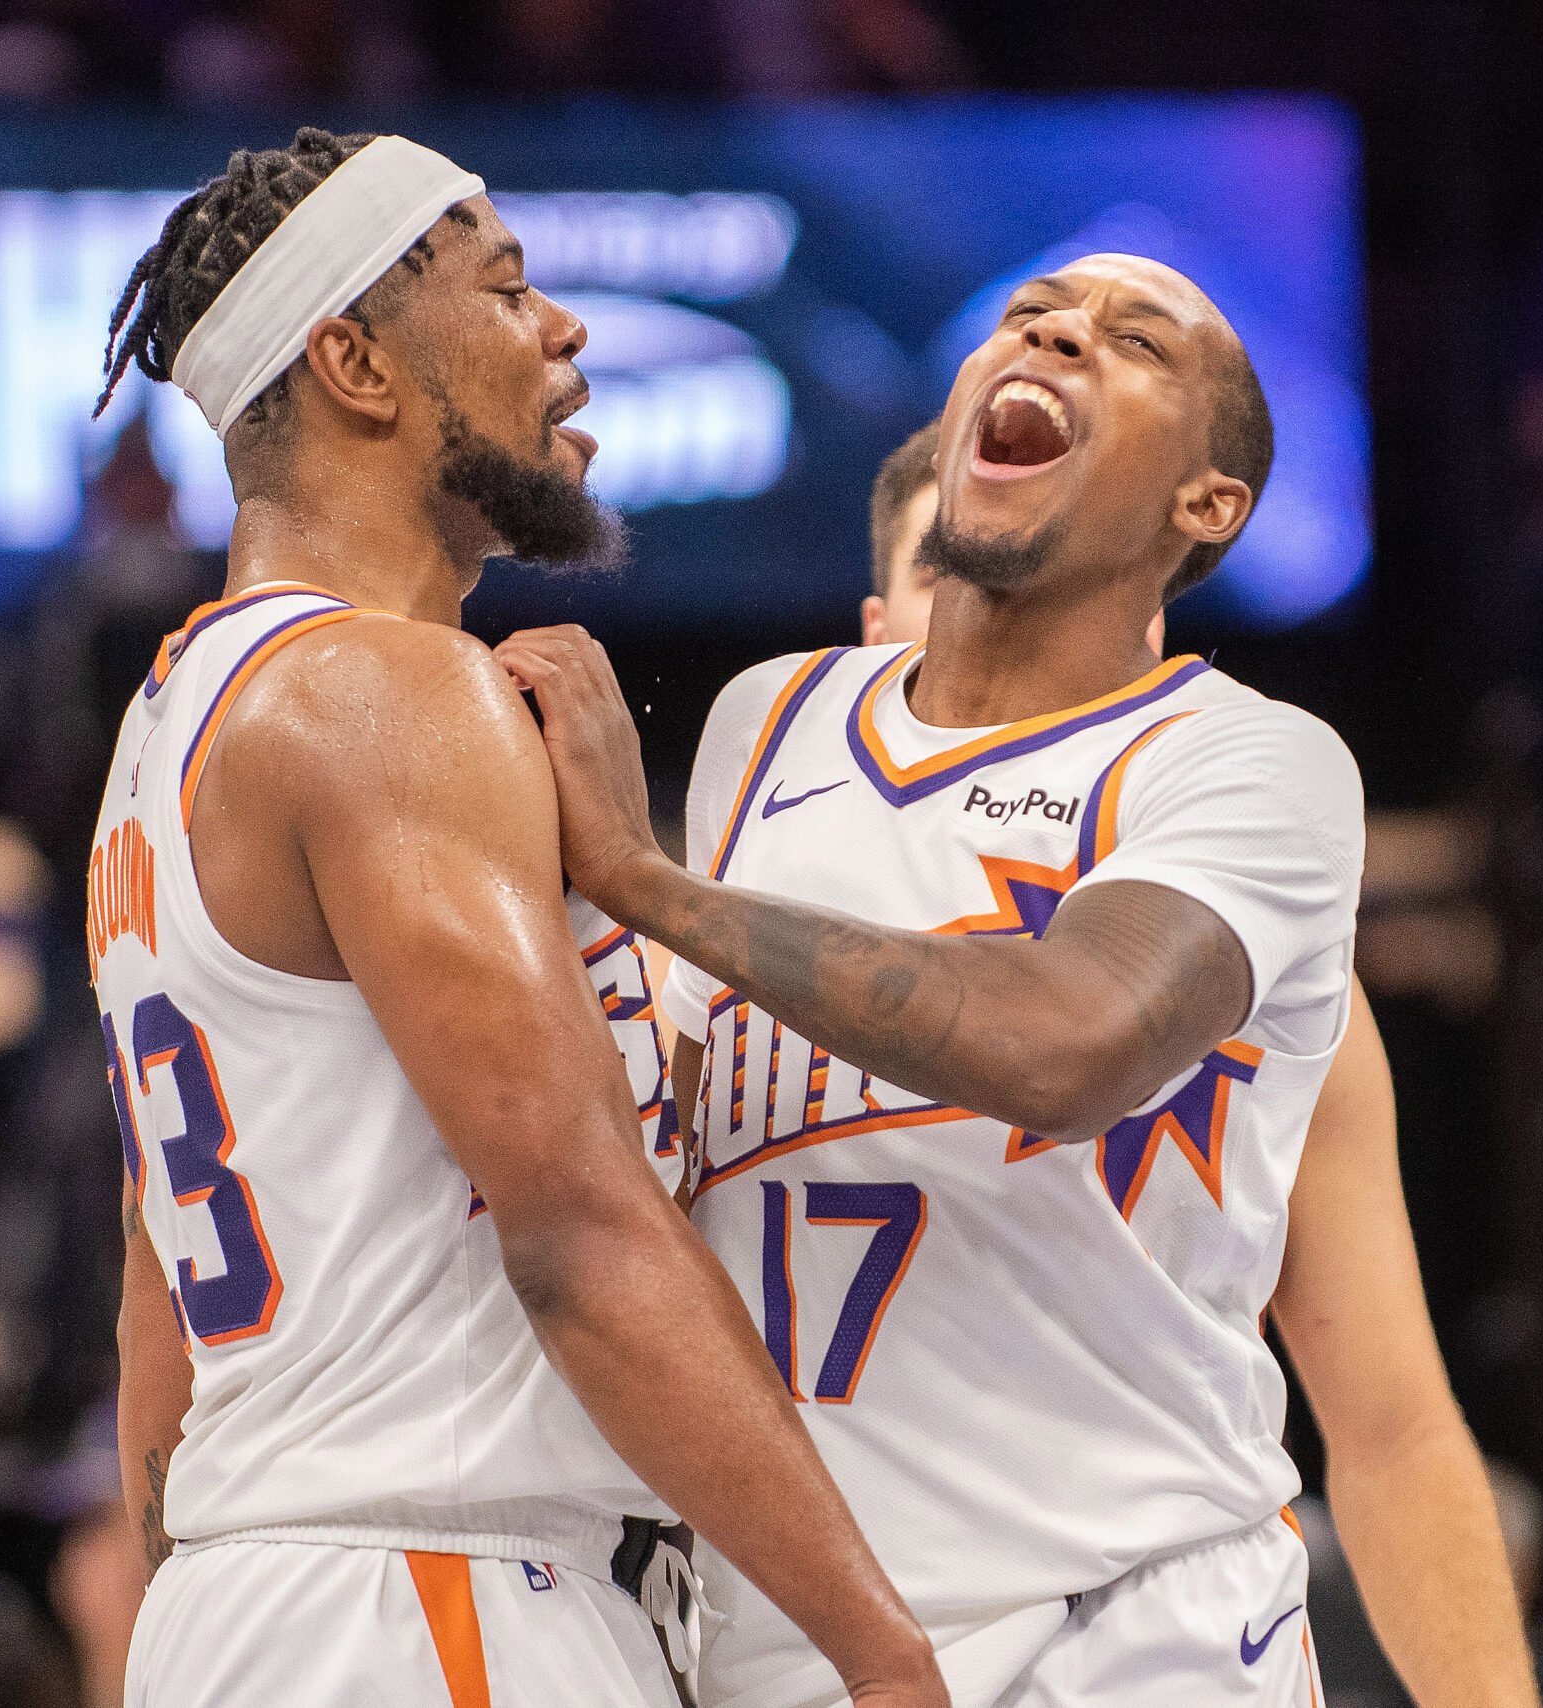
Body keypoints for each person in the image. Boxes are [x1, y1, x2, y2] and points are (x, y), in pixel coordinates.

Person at [501, 252, 1538, 1706]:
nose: (1052, 330)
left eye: (1133, 341)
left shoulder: (1247, 777)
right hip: (802, 1646)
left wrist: (647, 884)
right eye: (1029, 315)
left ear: (1207, 508)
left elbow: (1075, 1050)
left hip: (1130, 1638)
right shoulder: (768, 728)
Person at [86, 127, 946, 1708]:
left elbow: (159, 1285)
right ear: (354, 363)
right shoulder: (389, 694)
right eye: (507, 288)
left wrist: (198, 1606)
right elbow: (575, 1230)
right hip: (432, 1597)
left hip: (264, 1601)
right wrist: (885, 1658)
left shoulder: (167, 734)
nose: (568, 331)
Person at [863, 420, 1161, 656]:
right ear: (877, 634)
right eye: (947, 575)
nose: (991, 607)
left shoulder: (1201, 730)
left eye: (1058, 578)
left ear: (1144, 625)